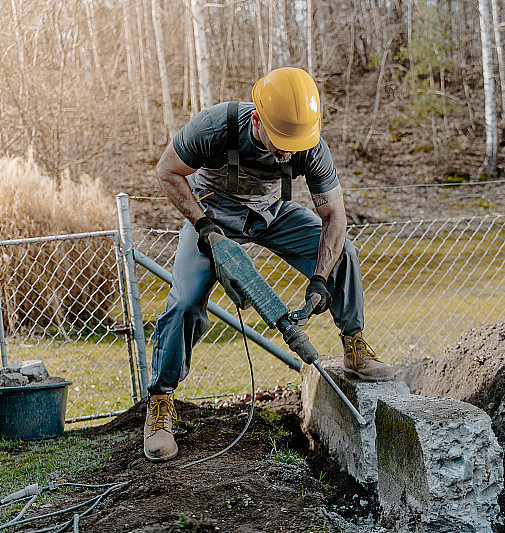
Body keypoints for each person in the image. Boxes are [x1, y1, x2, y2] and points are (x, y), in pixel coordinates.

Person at [143, 67, 395, 462]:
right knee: (185, 301)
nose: (289, 154)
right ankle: (161, 401)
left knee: (343, 252)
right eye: (282, 145)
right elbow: (166, 171)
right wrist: (203, 226)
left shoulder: (309, 144)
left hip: (270, 212)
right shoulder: (215, 126)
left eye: (295, 146)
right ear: (258, 120)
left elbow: (334, 216)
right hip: (212, 214)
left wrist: (320, 278)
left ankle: (355, 347)